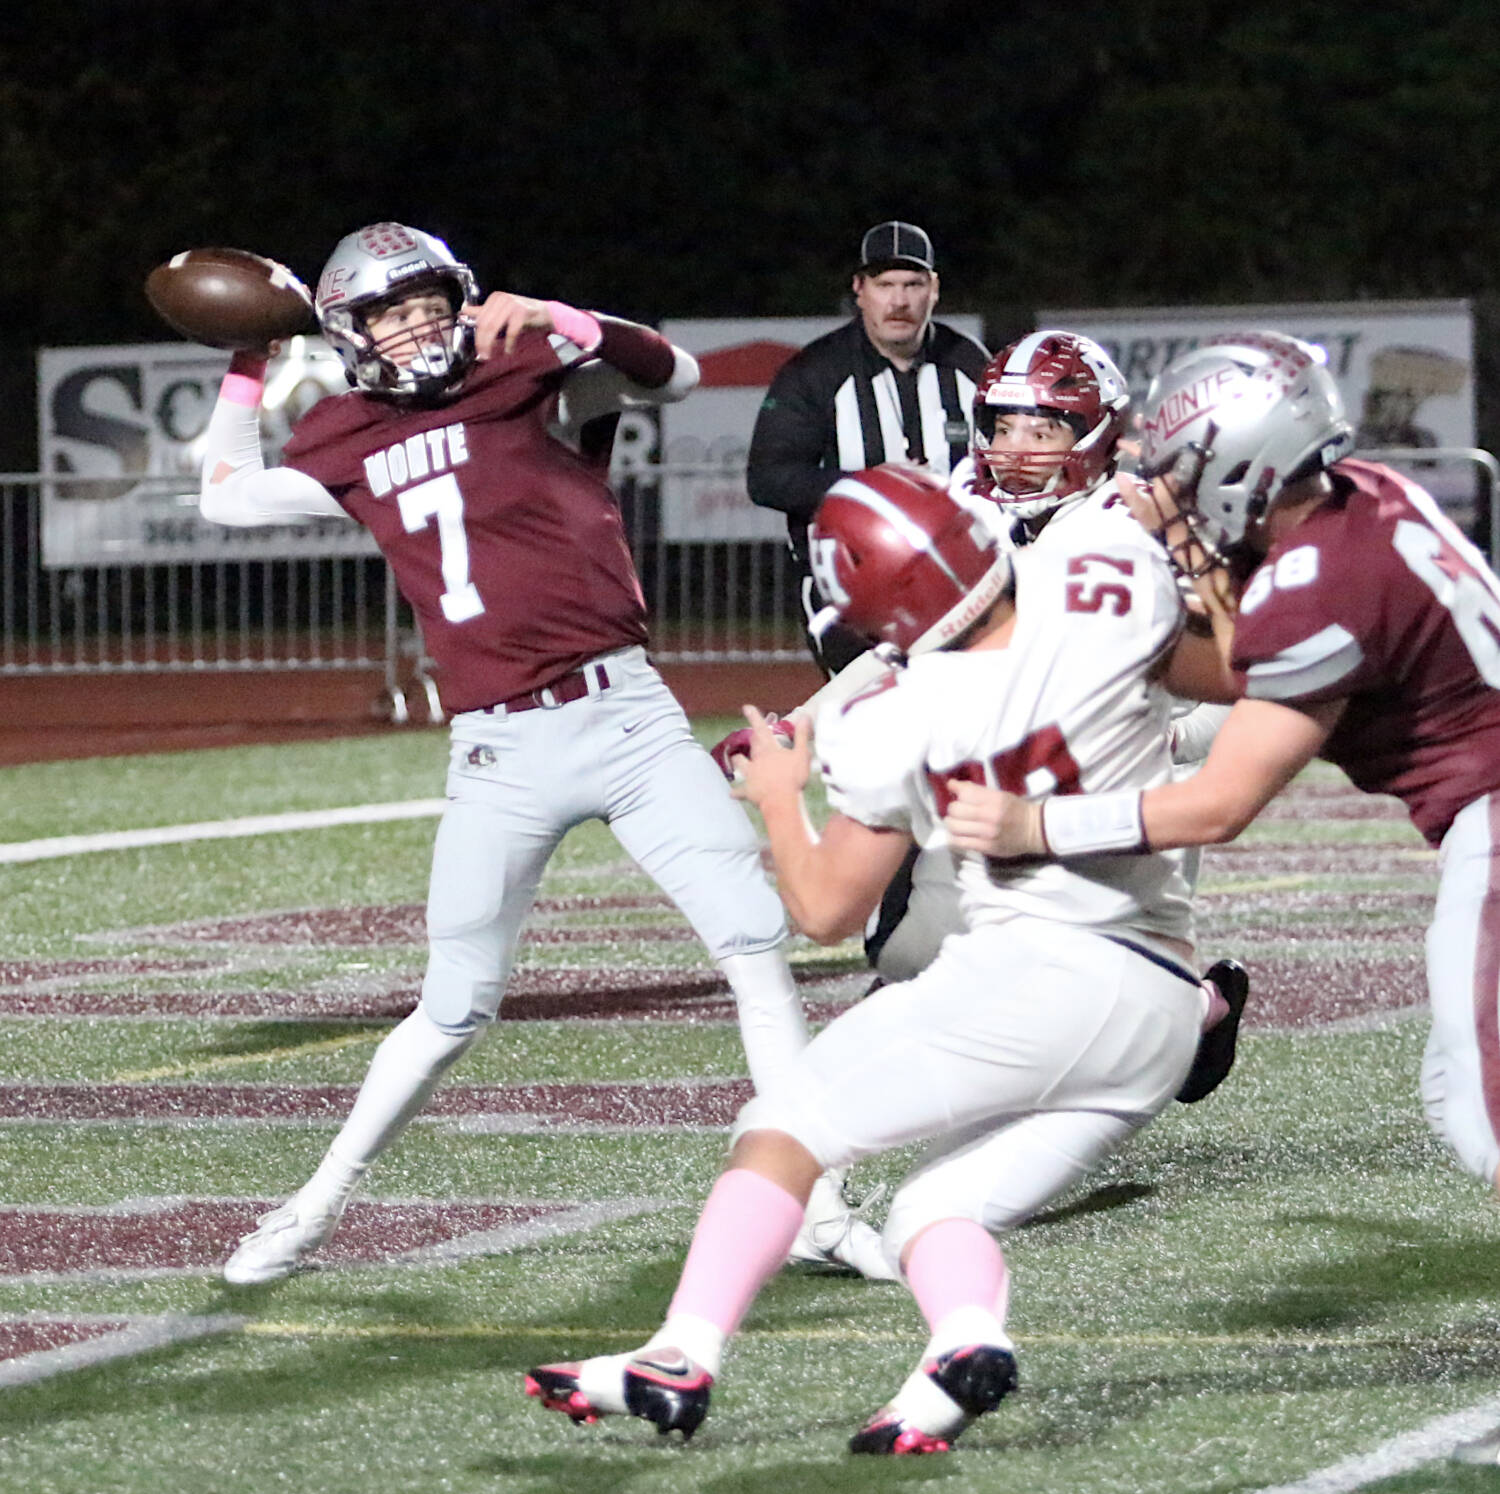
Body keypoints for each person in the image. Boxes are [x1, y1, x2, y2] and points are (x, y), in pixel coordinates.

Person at [196, 221, 891, 1284]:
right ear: (350, 331)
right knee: (453, 1005)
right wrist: (248, 365)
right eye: (394, 310)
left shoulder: (531, 367)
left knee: (757, 950)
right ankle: (310, 1209)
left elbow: (677, 370)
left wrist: (571, 318)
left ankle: (818, 1205)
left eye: (433, 301)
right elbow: (225, 497)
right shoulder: (345, 433)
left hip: (629, 718)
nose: (420, 325)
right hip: (499, 750)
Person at [525, 462, 1238, 1455]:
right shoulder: (1100, 590)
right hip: (1163, 1005)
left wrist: (780, 790)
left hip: (1040, 969)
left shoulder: (895, 720)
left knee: (782, 1126)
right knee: (933, 1207)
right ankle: (961, 1347)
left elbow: (822, 909)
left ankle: (679, 1353)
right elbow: (1235, 663)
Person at [927, 331, 1500, 1464]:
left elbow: (1220, 801)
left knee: (1480, 1104)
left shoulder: (1317, 586)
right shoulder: (1367, 494)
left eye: (1186, 471)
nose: (1172, 491)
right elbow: (1240, 651)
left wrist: (1035, 824)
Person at [722, 331, 1249, 1102]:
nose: (1016, 449)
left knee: (1114, 1007)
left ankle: (1200, 1007)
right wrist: (800, 719)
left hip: (1124, 790)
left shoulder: (1139, 526)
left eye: (1043, 429)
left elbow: (1238, 681)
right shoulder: (972, 512)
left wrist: (1155, 735)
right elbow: (914, 645)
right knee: (910, 952)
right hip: (1007, 769)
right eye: (1002, 427)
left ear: (1096, 433)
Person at [746, 220, 989, 676]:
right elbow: (768, 478)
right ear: (860, 289)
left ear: (933, 289)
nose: (899, 301)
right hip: (851, 592)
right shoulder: (814, 372)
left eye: (912, 284)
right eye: (885, 285)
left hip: (961, 580)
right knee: (874, 724)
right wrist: (876, 488)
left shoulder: (969, 362)